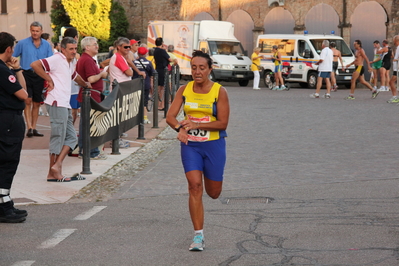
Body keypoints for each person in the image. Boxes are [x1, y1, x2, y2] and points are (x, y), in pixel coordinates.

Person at [166, 50, 230, 251]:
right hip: (191, 146)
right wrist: (180, 129)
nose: (197, 71)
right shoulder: (184, 90)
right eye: (194, 67)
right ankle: (198, 236)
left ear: (210, 69)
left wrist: (197, 125)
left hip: (213, 146)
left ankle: (213, 185)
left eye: (202, 67)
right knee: (194, 187)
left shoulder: (219, 91)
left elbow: (223, 123)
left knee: (213, 193)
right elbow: (170, 116)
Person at [30, 37, 91, 182]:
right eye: (71, 49)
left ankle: (56, 166)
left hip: (64, 103)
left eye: (75, 49)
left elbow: (74, 76)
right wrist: (48, 79)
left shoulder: (69, 62)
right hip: (56, 102)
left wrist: (85, 84)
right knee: (58, 137)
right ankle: (53, 173)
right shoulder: (57, 59)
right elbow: (35, 64)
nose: (74, 51)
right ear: (63, 49)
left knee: (70, 137)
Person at [0, 32, 29, 223]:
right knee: (7, 163)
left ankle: (6, 202)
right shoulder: (2, 70)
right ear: (9, 49)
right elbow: (24, 94)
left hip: (6, 119)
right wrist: (17, 70)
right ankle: (3, 206)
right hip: (8, 120)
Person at [13, 21, 53, 138]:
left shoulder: (46, 45)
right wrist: (17, 70)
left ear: (41, 32)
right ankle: (29, 127)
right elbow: (14, 56)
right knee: (27, 100)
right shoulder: (22, 43)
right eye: (33, 30)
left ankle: (34, 127)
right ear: (30, 30)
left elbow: (50, 60)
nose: (35, 33)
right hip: (26, 74)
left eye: (37, 31)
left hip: (40, 75)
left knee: (37, 102)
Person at [76, 36, 108, 160]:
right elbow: (91, 79)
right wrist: (102, 73)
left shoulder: (86, 59)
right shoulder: (88, 60)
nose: (97, 46)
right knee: (91, 124)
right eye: (94, 44)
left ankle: (84, 150)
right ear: (87, 47)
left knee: (86, 124)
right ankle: (91, 152)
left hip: (89, 94)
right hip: (91, 95)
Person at [63, 27, 81, 124]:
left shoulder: (76, 55)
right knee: (71, 111)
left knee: (73, 111)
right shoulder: (65, 55)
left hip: (74, 86)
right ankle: (67, 132)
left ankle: (69, 132)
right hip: (70, 87)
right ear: (76, 37)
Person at [133, 47, 154, 124]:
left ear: (138, 53)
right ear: (146, 54)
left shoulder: (134, 62)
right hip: (145, 84)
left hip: (135, 84)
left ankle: (136, 118)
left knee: (136, 101)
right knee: (145, 101)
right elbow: (152, 73)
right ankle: (144, 118)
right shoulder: (148, 63)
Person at [154, 37, 175, 110]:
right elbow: (169, 59)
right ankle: (161, 105)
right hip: (163, 70)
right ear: (162, 43)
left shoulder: (155, 50)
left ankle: (158, 104)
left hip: (157, 69)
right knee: (162, 88)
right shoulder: (162, 51)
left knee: (158, 87)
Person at [388, 35, 399, 103]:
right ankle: (395, 97)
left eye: (393, 40)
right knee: (392, 82)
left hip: (397, 69)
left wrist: (395, 60)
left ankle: (395, 97)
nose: (393, 41)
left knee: (391, 82)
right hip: (396, 68)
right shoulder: (397, 47)